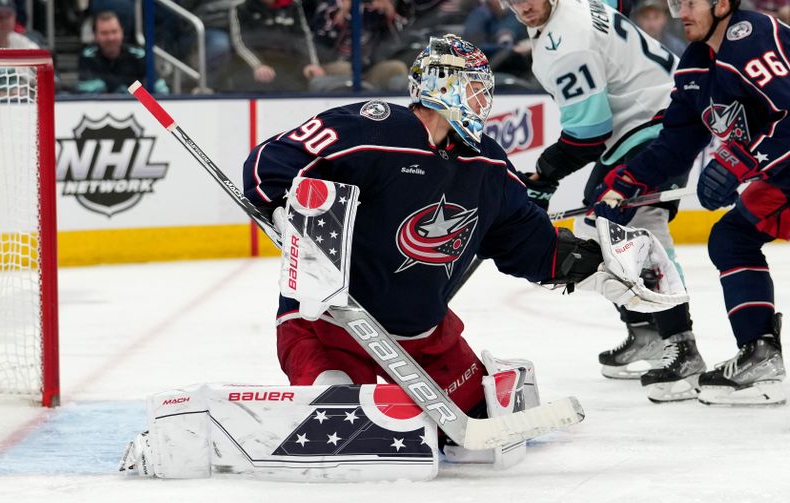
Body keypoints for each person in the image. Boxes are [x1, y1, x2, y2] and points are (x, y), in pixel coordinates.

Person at [241, 34, 686, 432]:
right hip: (331, 325)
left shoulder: (487, 165)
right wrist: (285, 210)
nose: (482, 101)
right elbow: (270, 162)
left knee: (480, 417)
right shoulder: (372, 127)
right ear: (442, 86)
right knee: (339, 419)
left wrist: (600, 269)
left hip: (423, 335)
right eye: (474, 88)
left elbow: (528, 243)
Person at [502, 0, 706, 401]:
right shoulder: (575, 8)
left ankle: (681, 344)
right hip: (654, 117)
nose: (523, 5)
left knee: (636, 228)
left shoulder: (566, 42)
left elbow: (589, 133)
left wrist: (544, 175)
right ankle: (646, 331)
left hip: (657, 123)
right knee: (602, 225)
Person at [591, 0, 789, 405]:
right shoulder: (696, 66)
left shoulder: (752, 37)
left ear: (721, 4)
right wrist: (624, 185)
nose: (680, 11)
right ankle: (761, 354)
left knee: (733, 237)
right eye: (675, 2)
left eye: (690, 2)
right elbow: (676, 144)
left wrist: (739, 161)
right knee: (732, 239)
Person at [77, 11, 168, 95]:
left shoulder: (138, 55)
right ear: (95, 36)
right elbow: (87, 90)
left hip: (138, 107)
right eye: (104, 33)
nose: (110, 38)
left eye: (114, 32)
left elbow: (159, 87)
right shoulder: (87, 56)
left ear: (122, 33)